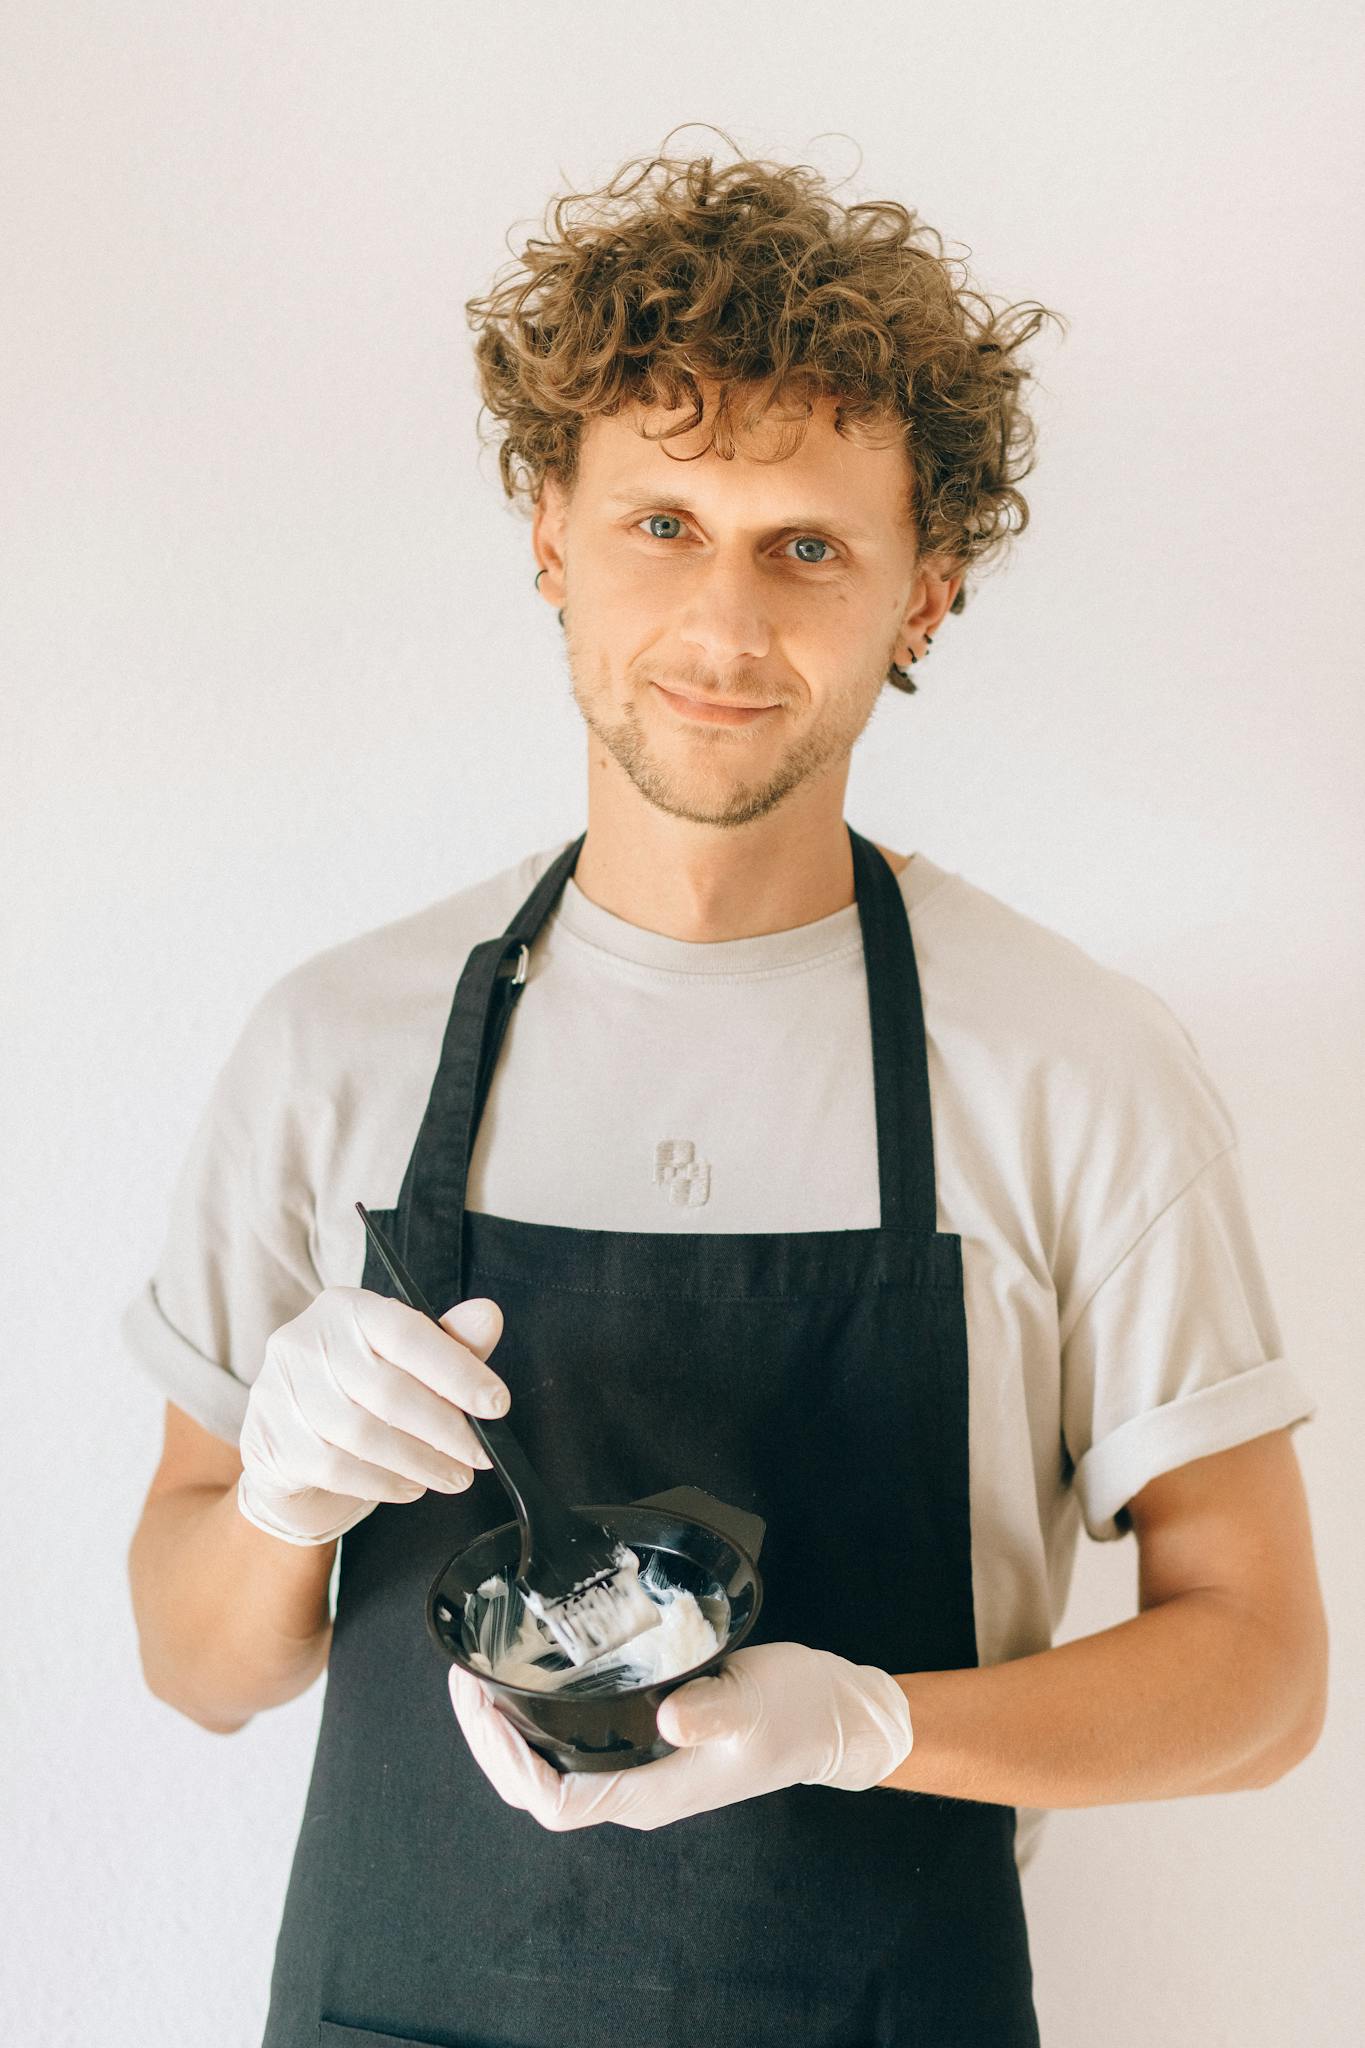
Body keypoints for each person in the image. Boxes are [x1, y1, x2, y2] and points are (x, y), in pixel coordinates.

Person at [123, 132, 1327, 2048]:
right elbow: (194, 1666)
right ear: (550, 533)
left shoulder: (1071, 1066)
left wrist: (872, 1722)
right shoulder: (332, 1043)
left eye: (808, 548)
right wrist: (273, 1503)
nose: (725, 627)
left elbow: (1260, 1676)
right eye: (662, 522)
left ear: (920, 593)